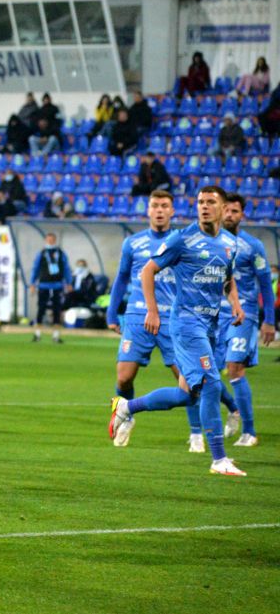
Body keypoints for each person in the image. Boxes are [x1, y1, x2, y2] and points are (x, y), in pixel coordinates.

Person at [108, 187, 247, 476]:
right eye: (200, 202)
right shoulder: (182, 238)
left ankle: (127, 407)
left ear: (223, 208)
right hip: (185, 324)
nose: (204, 207)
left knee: (188, 394)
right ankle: (219, 458)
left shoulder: (229, 243)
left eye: (211, 202)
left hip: (209, 325)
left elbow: (227, 277)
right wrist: (153, 310)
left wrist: (235, 303)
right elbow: (147, 271)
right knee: (209, 382)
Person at [105, 191, 187, 447]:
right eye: (155, 206)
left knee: (186, 381)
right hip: (138, 315)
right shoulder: (133, 242)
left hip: (172, 318)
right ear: (148, 210)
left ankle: (196, 434)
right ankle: (126, 415)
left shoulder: (181, 241)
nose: (160, 210)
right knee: (123, 377)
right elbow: (121, 278)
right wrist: (111, 311)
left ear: (172, 210)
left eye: (165, 206)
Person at [217, 193, 275, 448]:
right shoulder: (210, 243)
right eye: (226, 210)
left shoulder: (253, 246)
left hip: (245, 314)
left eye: (235, 211)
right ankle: (233, 409)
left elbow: (265, 285)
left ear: (242, 215)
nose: (230, 215)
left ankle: (249, 432)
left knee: (234, 368)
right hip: (213, 314)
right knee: (203, 373)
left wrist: (269, 321)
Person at [30, 233, 72, 343]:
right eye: (49, 239)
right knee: (41, 308)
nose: (51, 241)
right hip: (44, 285)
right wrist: (32, 283)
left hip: (57, 285)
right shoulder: (42, 253)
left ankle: (56, 335)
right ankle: (37, 334)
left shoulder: (60, 253)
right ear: (45, 240)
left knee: (57, 310)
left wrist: (69, 282)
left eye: (52, 240)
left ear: (55, 240)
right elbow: (35, 268)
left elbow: (67, 268)